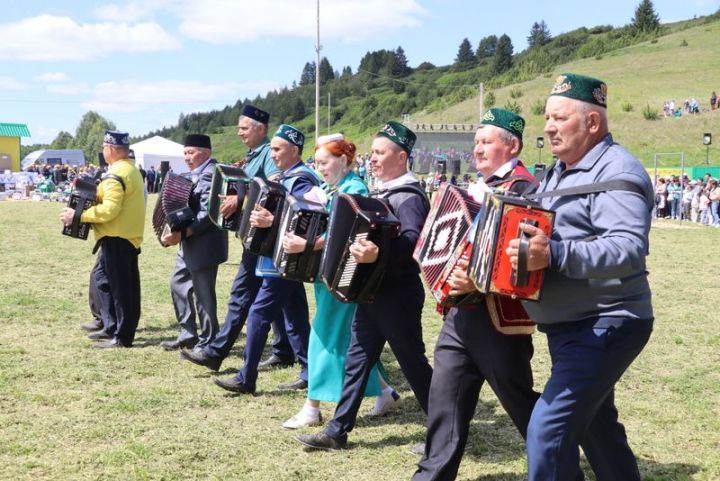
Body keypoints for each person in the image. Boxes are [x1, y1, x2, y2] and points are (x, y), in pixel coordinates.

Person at [506, 73, 654, 481]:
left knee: (547, 432)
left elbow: (627, 248)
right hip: (570, 325)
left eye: (560, 118)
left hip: (608, 321)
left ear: (592, 123)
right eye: (548, 118)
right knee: (596, 427)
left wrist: (553, 254)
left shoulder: (617, 169)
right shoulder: (556, 172)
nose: (549, 126)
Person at [412, 109, 544, 480]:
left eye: (487, 142)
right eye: (476, 143)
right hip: (460, 314)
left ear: (512, 145)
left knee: (518, 400)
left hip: (499, 317)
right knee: (445, 398)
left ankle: (561, 463)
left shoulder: (525, 189)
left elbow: (519, 257)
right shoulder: (474, 187)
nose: (478, 150)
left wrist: (475, 279)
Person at [296, 121, 433, 451]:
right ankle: (337, 430)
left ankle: (444, 429)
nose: (372, 158)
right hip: (373, 292)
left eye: (380, 153)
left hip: (397, 294)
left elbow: (416, 247)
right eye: (371, 152)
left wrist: (378, 253)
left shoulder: (409, 196)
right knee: (357, 361)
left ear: (401, 156)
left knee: (413, 364)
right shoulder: (381, 191)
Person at [280, 133, 400, 430]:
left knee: (322, 337)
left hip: (343, 276)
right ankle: (386, 392)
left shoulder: (353, 188)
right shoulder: (332, 188)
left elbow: (344, 234)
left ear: (344, 160)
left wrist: (305, 245)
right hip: (330, 274)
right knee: (349, 341)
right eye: (317, 163)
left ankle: (312, 407)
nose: (319, 168)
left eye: (324, 162)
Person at [180, 105, 289, 372]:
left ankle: (216, 352)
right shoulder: (254, 155)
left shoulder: (266, 155)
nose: (239, 133)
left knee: (242, 295)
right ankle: (285, 349)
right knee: (283, 299)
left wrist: (239, 198)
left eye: (243, 128)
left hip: (263, 238)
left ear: (260, 129)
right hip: (255, 236)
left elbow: (274, 189)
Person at [212, 124, 316, 394]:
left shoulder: (303, 179)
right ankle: (309, 371)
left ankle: (247, 377)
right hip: (276, 257)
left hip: (284, 259)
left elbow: (308, 221)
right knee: (295, 316)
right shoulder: (283, 176)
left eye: (277, 149)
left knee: (258, 314)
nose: (272, 154)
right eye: (271, 149)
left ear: (295, 150)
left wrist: (273, 220)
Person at [60, 130, 145, 348]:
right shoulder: (130, 170)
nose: (102, 151)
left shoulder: (115, 174)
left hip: (117, 237)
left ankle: (122, 337)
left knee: (121, 290)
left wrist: (78, 215)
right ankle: (112, 327)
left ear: (111, 149)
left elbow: (110, 209)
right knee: (112, 282)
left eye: (104, 147)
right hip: (124, 236)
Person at [159, 135, 228, 351]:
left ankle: (209, 340)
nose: (187, 157)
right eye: (185, 153)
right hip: (188, 243)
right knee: (177, 283)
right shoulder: (193, 174)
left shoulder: (213, 174)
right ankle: (188, 333)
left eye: (191, 152)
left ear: (206, 153)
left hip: (205, 244)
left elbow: (208, 213)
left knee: (203, 294)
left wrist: (184, 232)